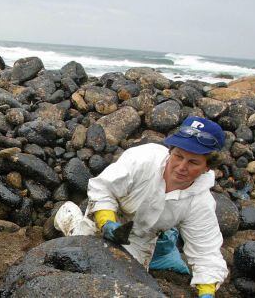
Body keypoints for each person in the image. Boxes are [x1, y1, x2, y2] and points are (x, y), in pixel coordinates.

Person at [54, 116, 229, 298]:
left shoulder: (201, 202)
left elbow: (206, 252)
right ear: (171, 151)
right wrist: (106, 222)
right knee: (80, 256)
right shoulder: (143, 159)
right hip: (107, 214)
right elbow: (103, 188)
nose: (181, 167)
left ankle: (164, 242)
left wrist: (207, 292)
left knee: (128, 283)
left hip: (140, 237)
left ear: (207, 167)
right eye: (178, 156)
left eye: (193, 162)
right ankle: (67, 215)